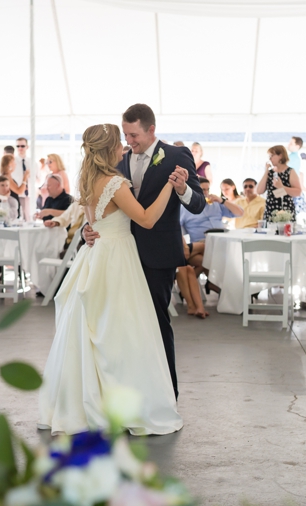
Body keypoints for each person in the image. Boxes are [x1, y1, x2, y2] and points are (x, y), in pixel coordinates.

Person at [39, 122, 183, 435]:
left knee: (96, 330)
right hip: (117, 258)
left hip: (96, 254)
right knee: (122, 332)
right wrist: (170, 187)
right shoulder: (116, 183)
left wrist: (90, 231)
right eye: (119, 142)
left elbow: (94, 222)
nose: (123, 146)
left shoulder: (88, 179)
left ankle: (92, 401)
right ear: (110, 149)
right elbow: (145, 219)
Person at [82, 103, 206, 400]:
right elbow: (102, 205)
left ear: (151, 129)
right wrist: (90, 229)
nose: (128, 142)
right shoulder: (117, 160)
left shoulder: (177, 156)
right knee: (122, 326)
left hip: (157, 255)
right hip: (118, 256)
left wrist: (180, 188)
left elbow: (198, 203)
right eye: (125, 135)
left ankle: (165, 395)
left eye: (134, 135)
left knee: (154, 324)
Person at [180, 177, 243, 272]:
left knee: (205, 263)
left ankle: (211, 285)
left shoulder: (216, 204)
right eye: (202, 190)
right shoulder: (185, 208)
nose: (206, 193)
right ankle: (218, 285)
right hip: (201, 243)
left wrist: (222, 201)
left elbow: (240, 213)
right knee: (216, 263)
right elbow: (176, 229)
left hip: (221, 241)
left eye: (207, 189)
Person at [257, 145, 301, 222]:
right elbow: (259, 191)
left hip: (285, 210)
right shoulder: (270, 172)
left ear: (280, 155)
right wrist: (266, 171)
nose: (270, 159)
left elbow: (298, 191)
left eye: (272, 156)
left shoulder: (290, 171)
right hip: (270, 209)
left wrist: (282, 187)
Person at [176, 238, 208, 319]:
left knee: (190, 268)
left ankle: (200, 307)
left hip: (175, 246)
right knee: (182, 268)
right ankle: (191, 306)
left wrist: (185, 247)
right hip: (164, 250)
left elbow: (177, 232)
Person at [0, 154, 28, 219]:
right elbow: (19, 191)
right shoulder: (6, 177)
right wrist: (25, 177)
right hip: (10, 206)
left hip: (13, 204)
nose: (15, 164)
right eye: (13, 162)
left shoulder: (8, 176)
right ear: (9, 164)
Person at [14, 138, 30, 215]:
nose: (20, 148)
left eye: (22, 146)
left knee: (29, 217)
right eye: (18, 146)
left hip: (29, 196)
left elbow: (39, 180)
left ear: (27, 147)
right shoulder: (12, 162)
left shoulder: (32, 162)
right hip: (16, 194)